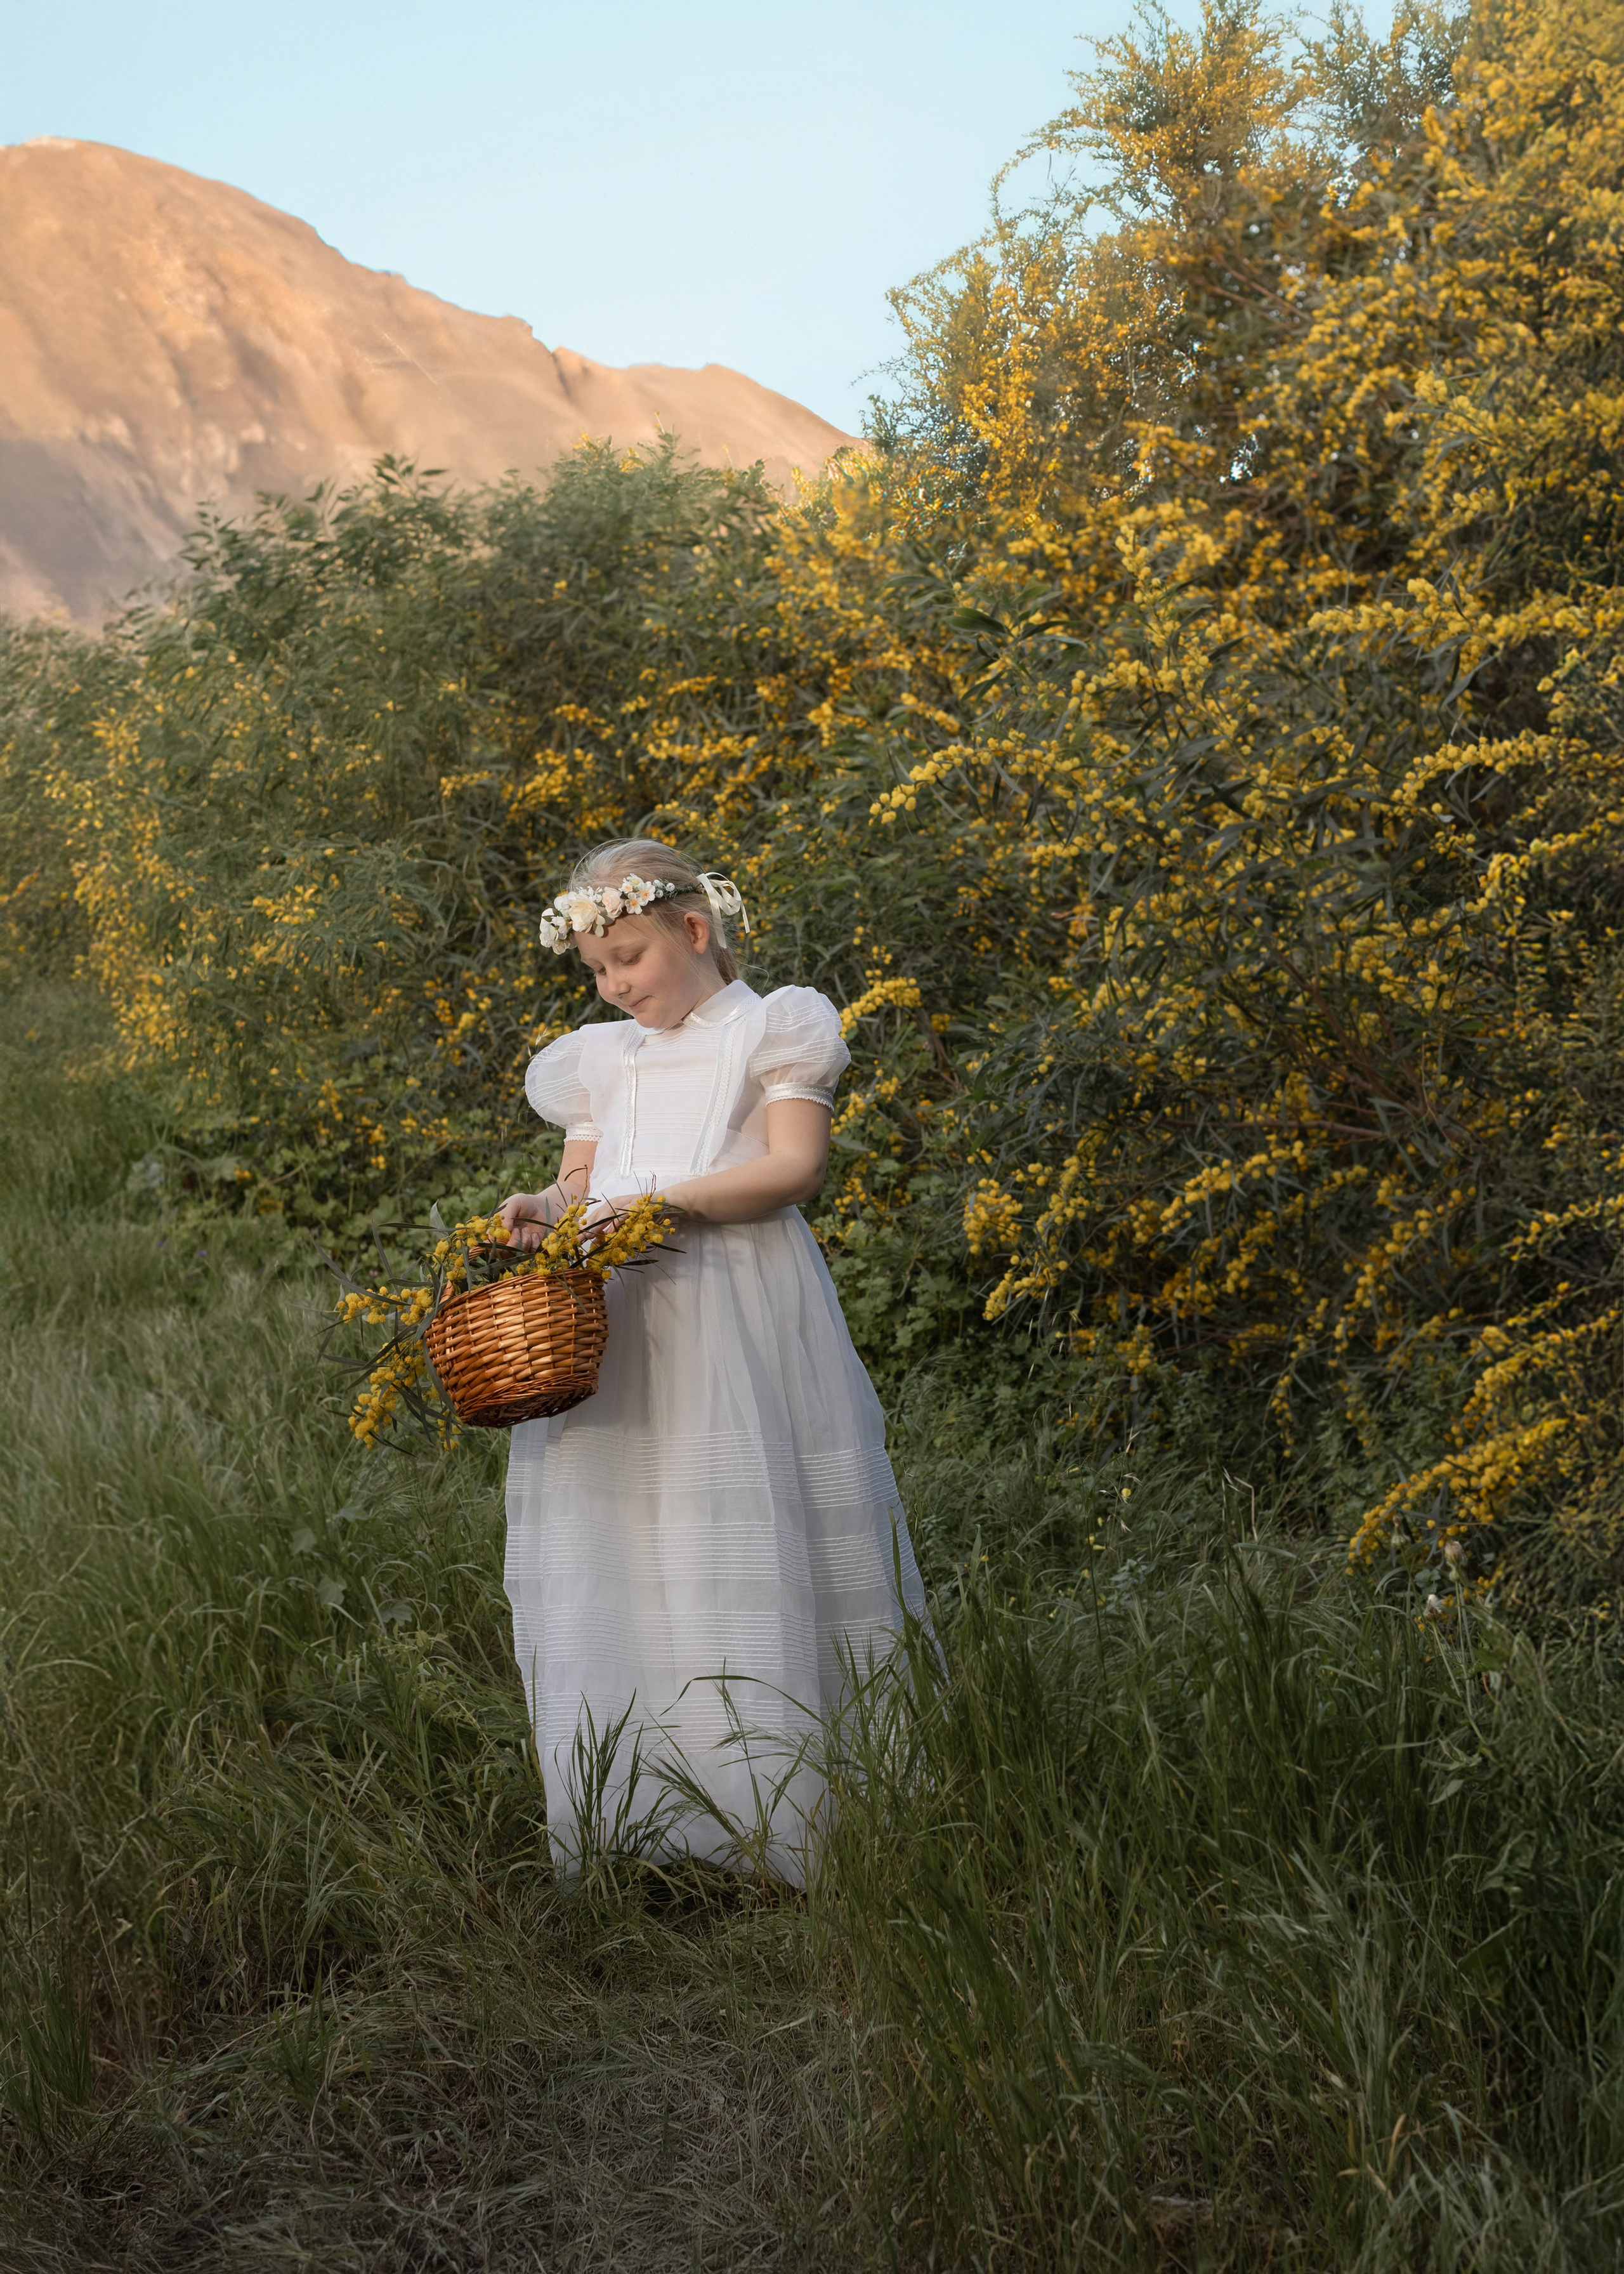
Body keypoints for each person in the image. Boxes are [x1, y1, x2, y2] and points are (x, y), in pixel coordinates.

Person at [497, 838, 926, 1881]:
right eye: (598, 970)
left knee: (737, 1523)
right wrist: (548, 1208)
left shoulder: (773, 1031)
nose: (613, 986)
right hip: (618, 1319)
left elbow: (790, 1168)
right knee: (632, 1532)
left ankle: (786, 1813)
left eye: (630, 959)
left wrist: (660, 1208)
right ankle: (648, 1812)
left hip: (733, 1308)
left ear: (694, 932)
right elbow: (582, 1180)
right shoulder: (600, 1058)